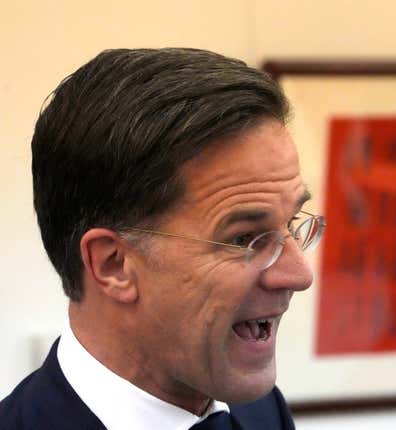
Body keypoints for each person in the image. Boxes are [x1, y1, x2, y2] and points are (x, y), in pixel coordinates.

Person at [0, 48, 325, 430]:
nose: (299, 275)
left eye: (291, 222)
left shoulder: (260, 412)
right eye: (244, 238)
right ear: (114, 265)